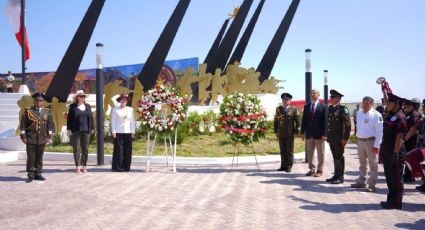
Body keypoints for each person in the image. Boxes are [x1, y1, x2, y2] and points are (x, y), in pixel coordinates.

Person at [380, 93, 407, 209]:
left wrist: (395, 153)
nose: (387, 104)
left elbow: (399, 137)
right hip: (387, 151)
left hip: (395, 152)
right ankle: (390, 200)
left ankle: (396, 202)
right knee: (389, 177)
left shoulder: (400, 117)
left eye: (389, 102)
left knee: (396, 178)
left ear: (396, 104)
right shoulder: (391, 116)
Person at [20, 92, 55, 183]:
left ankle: (38, 173)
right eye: (37, 101)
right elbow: (23, 125)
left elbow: (50, 125)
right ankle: (31, 174)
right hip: (31, 138)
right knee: (31, 157)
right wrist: (23, 136)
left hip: (42, 138)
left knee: (39, 157)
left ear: (42, 102)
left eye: (40, 101)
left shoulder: (46, 111)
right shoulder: (28, 111)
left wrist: (49, 136)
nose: (39, 102)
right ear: (34, 101)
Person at [350, 96, 383, 192]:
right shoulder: (359, 113)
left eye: (367, 103)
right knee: (362, 163)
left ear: (372, 104)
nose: (365, 105)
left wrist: (377, 145)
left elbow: (380, 132)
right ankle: (361, 181)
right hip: (360, 141)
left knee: (373, 164)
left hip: (371, 142)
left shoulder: (376, 115)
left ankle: (372, 184)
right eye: (364, 103)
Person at [325, 90, 351, 184]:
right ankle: (336, 175)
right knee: (335, 156)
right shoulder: (330, 108)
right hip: (332, 138)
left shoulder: (343, 109)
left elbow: (347, 125)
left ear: (338, 98)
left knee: (339, 156)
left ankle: (340, 177)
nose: (331, 99)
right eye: (331, 97)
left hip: (339, 138)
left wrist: (345, 138)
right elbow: (329, 124)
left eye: (333, 97)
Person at [301, 89, 327, 177]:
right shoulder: (307, 106)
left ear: (318, 95)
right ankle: (312, 169)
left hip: (319, 135)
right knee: (310, 153)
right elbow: (304, 120)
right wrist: (302, 132)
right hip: (309, 134)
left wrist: (324, 134)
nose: (312, 94)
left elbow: (325, 121)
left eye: (314, 93)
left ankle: (320, 170)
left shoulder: (323, 106)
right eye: (311, 93)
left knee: (320, 153)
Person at [67, 90, 95, 173]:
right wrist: (69, 129)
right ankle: (77, 166)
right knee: (76, 149)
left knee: (85, 149)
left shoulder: (88, 106)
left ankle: (84, 166)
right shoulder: (72, 107)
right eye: (81, 96)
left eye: (84, 96)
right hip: (76, 131)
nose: (83, 97)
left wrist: (92, 128)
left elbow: (91, 118)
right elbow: (69, 119)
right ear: (77, 97)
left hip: (86, 131)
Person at [274, 93, 300, 172]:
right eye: (283, 100)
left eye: (286, 100)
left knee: (289, 150)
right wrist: (275, 131)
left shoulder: (293, 109)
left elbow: (297, 121)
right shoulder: (278, 109)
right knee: (282, 150)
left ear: (290, 101)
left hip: (290, 133)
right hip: (281, 133)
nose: (285, 101)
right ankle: (283, 165)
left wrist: (296, 132)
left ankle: (289, 166)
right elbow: (276, 121)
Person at [111, 94, 136, 172]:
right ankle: (118, 167)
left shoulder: (130, 109)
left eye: (125, 100)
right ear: (119, 101)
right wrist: (113, 131)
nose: (124, 101)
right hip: (118, 132)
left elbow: (132, 121)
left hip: (128, 132)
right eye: (122, 100)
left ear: (127, 101)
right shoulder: (115, 109)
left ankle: (126, 167)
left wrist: (133, 131)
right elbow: (113, 121)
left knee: (128, 151)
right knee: (119, 150)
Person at [402, 98, 421, 182]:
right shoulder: (409, 114)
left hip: (411, 140)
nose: (405, 106)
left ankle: (409, 176)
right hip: (408, 139)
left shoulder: (414, 114)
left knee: (410, 157)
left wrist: (405, 139)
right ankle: (407, 174)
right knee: (407, 157)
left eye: (407, 105)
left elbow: (413, 129)